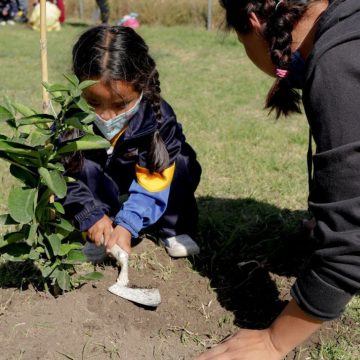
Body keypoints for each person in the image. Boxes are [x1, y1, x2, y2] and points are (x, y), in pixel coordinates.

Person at [196, 0, 360, 359]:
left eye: (242, 43)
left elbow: (351, 243)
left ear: (254, 23)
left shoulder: (339, 62)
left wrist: (274, 340)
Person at [61, 25, 201, 261]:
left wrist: (128, 224)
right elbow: (63, 178)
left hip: (143, 173)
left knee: (180, 162)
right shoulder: (70, 120)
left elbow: (154, 181)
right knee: (82, 165)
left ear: (142, 85)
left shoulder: (159, 118)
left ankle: (173, 228)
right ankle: (100, 229)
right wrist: (90, 214)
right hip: (107, 175)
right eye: (94, 103)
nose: (107, 116)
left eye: (120, 105)